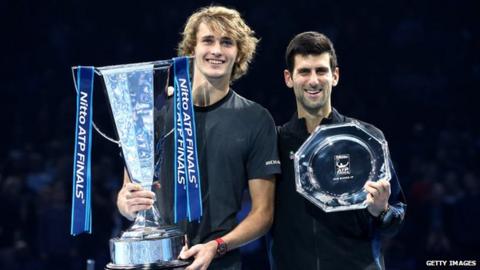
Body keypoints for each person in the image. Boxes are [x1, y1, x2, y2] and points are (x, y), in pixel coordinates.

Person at [116, 6, 280, 270]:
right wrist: (126, 203)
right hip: (155, 260)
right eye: (208, 40)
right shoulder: (156, 111)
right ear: (192, 49)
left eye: (227, 42)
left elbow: (263, 214)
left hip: (220, 262)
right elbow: (128, 194)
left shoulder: (256, 119)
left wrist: (217, 246)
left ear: (239, 53)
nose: (216, 50)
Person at [270, 31, 407, 270]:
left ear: (335, 75)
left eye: (321, 71)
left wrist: (382, 210)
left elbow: (396, 215)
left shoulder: (367, 139)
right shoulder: (273, 142)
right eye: (304, 71)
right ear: (288, 78)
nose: (313, 80)